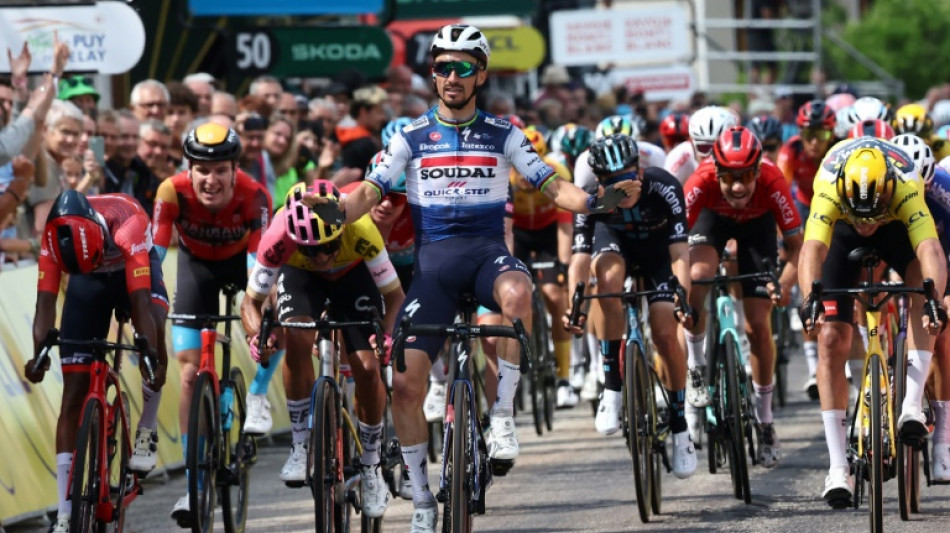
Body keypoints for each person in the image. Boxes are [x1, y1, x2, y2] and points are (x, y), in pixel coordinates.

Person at [299, 24, 635, 532]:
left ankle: (501, 416)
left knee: (519, 291)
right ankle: (421, 503)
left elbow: (552, 186)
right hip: (432, 267)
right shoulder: (409, 136)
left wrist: (595, 202)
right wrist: (338, 208)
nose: (450, 77)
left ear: (480, 74)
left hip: (486, 257)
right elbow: (367, 195)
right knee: (405, 384)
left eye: (461, 67)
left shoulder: (505, 133)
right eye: (440, 67)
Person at [798, 136, 947, 507]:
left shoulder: (906, 183)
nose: (867, 224)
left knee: (922, 290)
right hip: (841, 233)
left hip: (895, 228)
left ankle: (911, 405)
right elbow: (813, 249)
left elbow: (929, 248)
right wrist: (808, 301)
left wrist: (934, 303)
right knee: (831, 338)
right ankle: (837, 467)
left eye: (872, 213)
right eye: (860, 213)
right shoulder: (828, 184)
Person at [241, 180, 404, 517]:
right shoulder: (278, 236)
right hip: (300, 279)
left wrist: (387, 339)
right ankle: (301, 443)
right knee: (297, 335)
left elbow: (395, 298)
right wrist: (257, 336)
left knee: (368, 366)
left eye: (328, 246)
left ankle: (371, 464)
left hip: (354, 275)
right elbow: (250, 302)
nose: (322, 256)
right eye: (311, 249)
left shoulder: (360, 227)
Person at [25, 190, 169, 533]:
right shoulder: (52, 237)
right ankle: (64, 513)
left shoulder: (128, 224)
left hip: (132, 266)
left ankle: (147, 428)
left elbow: (140, 304)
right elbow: (44, 306)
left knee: (155, 331)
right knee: (73, 393)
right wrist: (38, 355)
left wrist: (149, 351)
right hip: (86, 276)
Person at [151, 123, 272, 525]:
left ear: (235, 170)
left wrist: (255, 304)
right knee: (188, 374)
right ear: (189, 169)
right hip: (196, 268)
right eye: (202, 169)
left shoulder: (255, 196)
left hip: (243, 267)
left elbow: (262, 266)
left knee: (277, 316)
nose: (211, 179)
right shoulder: (171, 191)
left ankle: (256, 392)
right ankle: (193, 487)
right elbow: (152, 255)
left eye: (221, 169)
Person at [564, 133, 696, 477]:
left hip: (658, 255)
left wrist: (683, 294)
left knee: (667, 332)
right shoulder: (591, 197)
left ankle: (681, 427)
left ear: (639, 170)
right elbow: (578, 259)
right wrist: (574, 304)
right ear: (600, 181)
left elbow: (681, 253)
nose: (624, 187)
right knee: (604, 279)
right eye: (613, 182)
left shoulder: (664, 186)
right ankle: (612, 386)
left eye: (629, 177)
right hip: (616, 245)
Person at [683, 126, 803, 469]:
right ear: (716, 171)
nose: (738, 186)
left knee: (757, 326)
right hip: (712, 222)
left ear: (757, 171)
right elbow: (674, 243)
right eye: (730, 177)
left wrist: (784, 283)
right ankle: (696, 366)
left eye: (747, 176)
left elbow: (798, 248)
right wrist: (675, 289)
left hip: (757, 229)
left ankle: (765, 421)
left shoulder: (772, 179)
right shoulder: (701, 180)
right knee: (697, 276)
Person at [510, 127, 578, 408]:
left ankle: (564, 378)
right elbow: (504, 230)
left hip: (550, 233)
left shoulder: (557, 172)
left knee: (554, 294)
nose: (527, 173)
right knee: (516, 294)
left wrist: (562, 265)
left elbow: (565, 226)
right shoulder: (504, 175)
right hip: (518, 234)